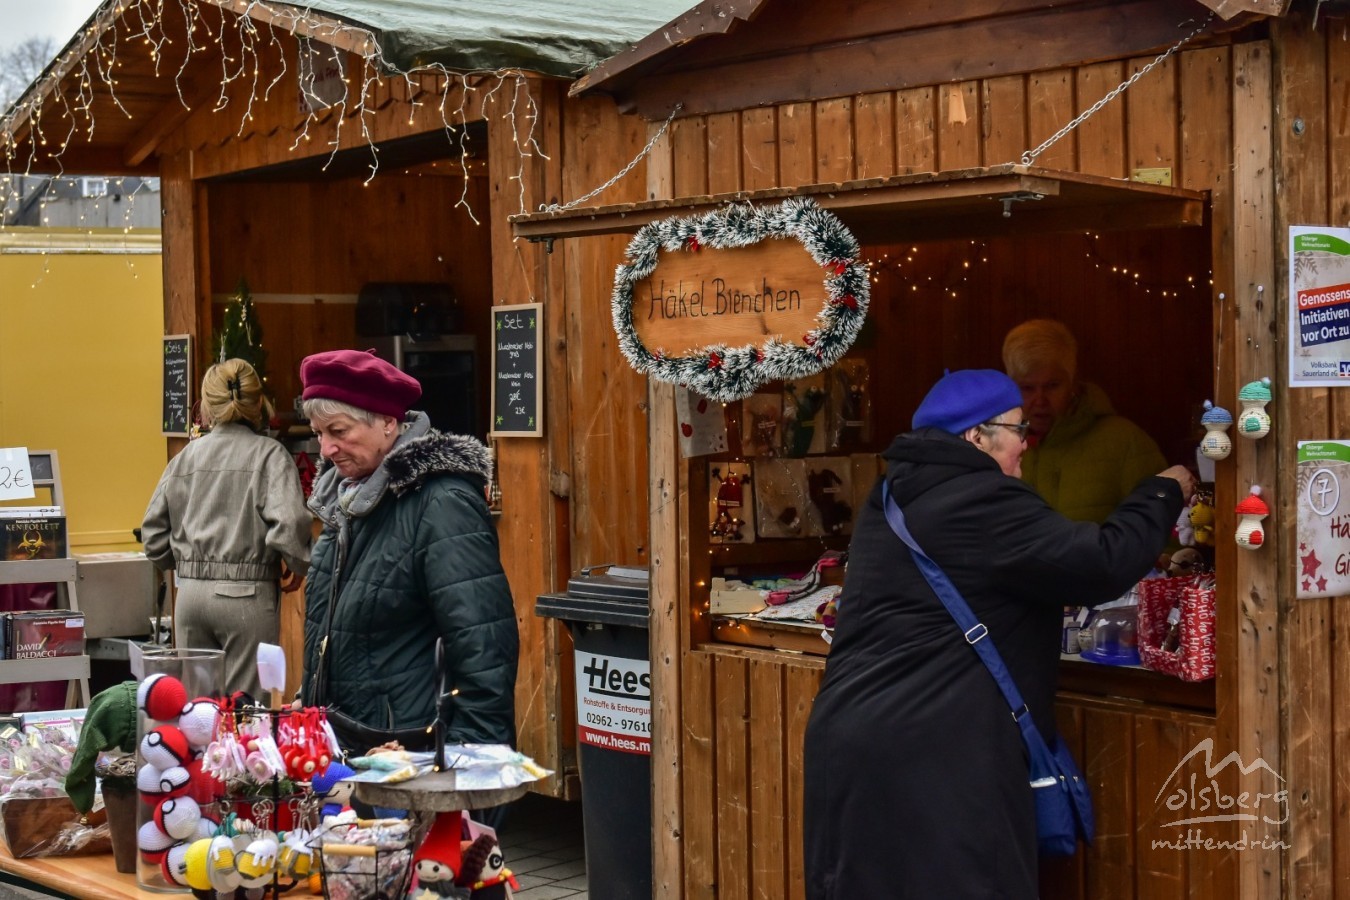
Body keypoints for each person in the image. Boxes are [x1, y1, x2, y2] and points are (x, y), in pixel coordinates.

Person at [802, 369, 1194, 900]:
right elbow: (1099, 562)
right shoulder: (980, 499)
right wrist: (1161, 492)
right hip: (934, 758)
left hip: (857, 743)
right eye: (1018, 430)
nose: (1027, 444)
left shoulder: (893, 494)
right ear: (976, 436)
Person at [297, 349, 518, 753]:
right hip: (352, 749)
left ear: (387, 422)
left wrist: (475, 762)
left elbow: (483, 648)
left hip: (414, 755)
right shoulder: (344, 501)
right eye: (319, 433)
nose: (326, 448)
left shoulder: (442, 503)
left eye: (339, 431)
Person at [142, 358, 312, 699]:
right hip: (247, 598)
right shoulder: (270, 456)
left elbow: (153, 535)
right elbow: (290, 523)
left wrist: (187, 565)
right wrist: (297, 563)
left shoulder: (184, 459)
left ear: (206, 406)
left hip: (190, 597)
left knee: (195, 709)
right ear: (258, 402)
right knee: (245, 709)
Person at [1002, 319, 1166, 522]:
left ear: (1072, 383)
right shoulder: (996, 447)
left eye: (1052, 386)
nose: (1040, 400)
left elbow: (1163, 528)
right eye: (1027, 388)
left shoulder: (1124, 443)